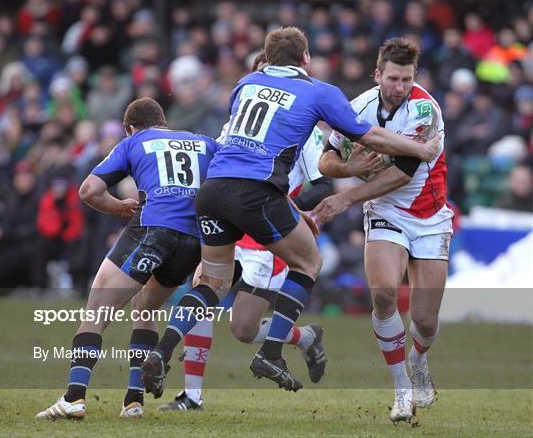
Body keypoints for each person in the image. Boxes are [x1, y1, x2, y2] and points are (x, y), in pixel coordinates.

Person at [141, 27, 441, 396]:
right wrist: (421, 151)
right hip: (257, 193)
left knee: (210, 283)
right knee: (309, 262)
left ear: (266, 60)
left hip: (214, 189)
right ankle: (269, 353)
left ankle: (161, 352)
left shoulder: (244, 84)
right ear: (306, 58)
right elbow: (369, 136)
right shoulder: (318, 91)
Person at [35, 97, 220, 419]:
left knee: (96, 310)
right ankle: (134, 402)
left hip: (153, 229)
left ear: (130, 127)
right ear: (163, 121)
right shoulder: (203, 143)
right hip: (192, 241)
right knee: (145, 307)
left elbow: (88, 190)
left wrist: (118, 207)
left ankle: (74, 398)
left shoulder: (135, 141)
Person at [314, 37, 453, 423]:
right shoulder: (357, 107)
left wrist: (346, 197)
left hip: (429, 213)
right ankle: (401, 389)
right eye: (393, 78)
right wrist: (350, 167)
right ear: (378, 75)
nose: (400, 87)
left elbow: (402, 171)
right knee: (383, 293)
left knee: (424, 320)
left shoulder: (425, 108)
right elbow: (326, 161)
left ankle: (418, 360)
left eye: (407, 78)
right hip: (385, 210)